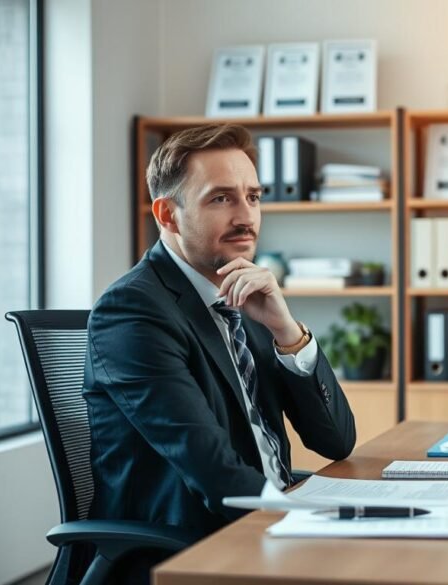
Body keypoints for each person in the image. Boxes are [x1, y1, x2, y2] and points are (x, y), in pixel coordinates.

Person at [82, 123, 356, 582]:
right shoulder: (132, 312)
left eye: (253, 196)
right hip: (192, 549)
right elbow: (212, 468)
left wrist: (286, 331)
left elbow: (335, 441)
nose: (246, 216)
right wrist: (310, 526)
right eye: (221, 198)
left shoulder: (241, 296)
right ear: (168, 215)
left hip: (263, 521)